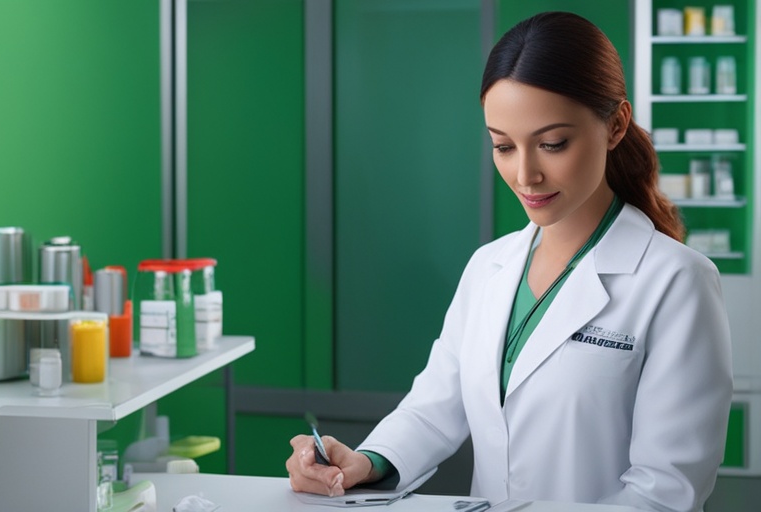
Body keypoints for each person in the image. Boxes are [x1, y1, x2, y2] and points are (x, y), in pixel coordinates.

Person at [286, 11, 732, 512]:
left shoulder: (677, 281)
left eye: (552, 144)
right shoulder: (489, 267)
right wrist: (364, 462)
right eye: (502, 145)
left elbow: (666, 490)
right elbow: (435, 409)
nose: (525, 174)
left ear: (616, 125)